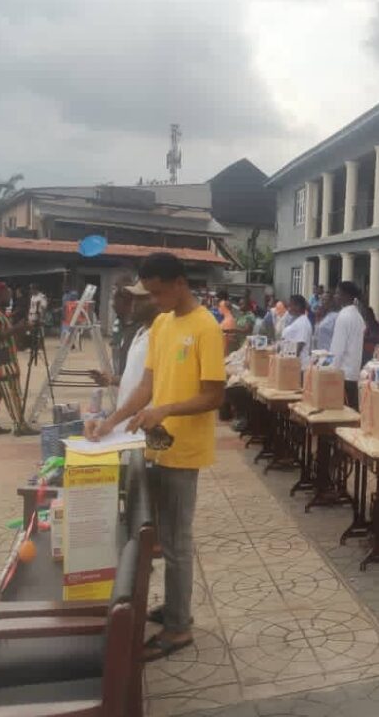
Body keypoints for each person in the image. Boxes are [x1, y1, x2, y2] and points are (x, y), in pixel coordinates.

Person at [88, 252, 225, 661]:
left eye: (158, 292)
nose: (154, 300)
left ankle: (179, 628)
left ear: (180, 283)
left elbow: (214, 395)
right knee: (160, 536)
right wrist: (111, 421)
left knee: (178, 541)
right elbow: (147, 385)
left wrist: (166, 410)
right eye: (149, 293)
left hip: (184, 450)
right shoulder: (163, 325)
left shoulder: (206, 327)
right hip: (154, 445)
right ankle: (175, 606)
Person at [90, 281, 158, 420]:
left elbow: (151, 384)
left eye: (140, 299)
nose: (134, 304)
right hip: (126, 420)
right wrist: (111, 380)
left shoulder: (160, 336)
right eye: (133, 299)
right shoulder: (139, 333)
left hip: (144, 420)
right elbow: (136, 378)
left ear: (157, 300)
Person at [0, 282, 37, 436]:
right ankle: (20, 425)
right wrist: (17, 328)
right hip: (1, 361)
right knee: (12, 392)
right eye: (7, 294)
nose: (10, 297)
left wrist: (19, 328)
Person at [330, 281, 367, 408]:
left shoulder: (343, 316)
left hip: (342, 374)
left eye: (337, 293)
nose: (335, 296)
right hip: (353, 373)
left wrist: (331, 372)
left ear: (346, 295)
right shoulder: (358, 316)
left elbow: (337, 350)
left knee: (341, 413)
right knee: (352, 410)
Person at [281, 295, 313, 369]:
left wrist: (288, 364)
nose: (288, 309)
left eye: (290, 306)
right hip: (292, 364)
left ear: (298, 306)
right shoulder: (298, 320)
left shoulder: (303, 323)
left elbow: (299, 346)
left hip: (298, 366)